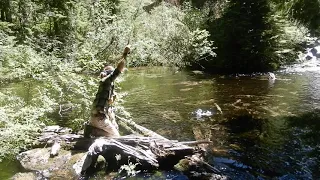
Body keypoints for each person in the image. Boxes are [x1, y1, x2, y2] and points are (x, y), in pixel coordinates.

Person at [87, 45, 130, 137]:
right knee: (116, 137)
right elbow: (118, 70)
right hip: (99, 119)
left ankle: (94, 130)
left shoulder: (106, 85)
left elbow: (108, 106)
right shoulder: (106, 80)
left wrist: (113, 97)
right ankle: (94, 131)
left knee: (112, 129)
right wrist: (125, 54)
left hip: (97, 118)